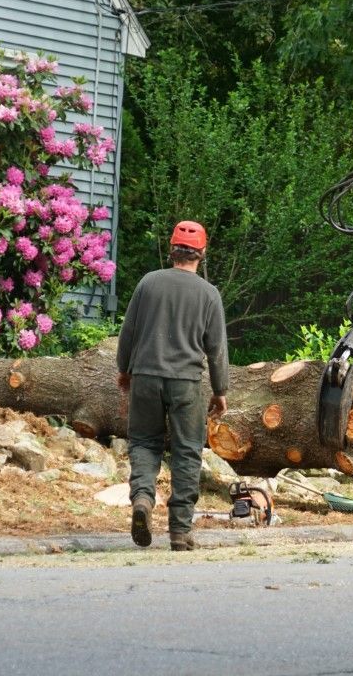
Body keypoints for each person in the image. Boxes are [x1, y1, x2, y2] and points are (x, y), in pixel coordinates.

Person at [116, 220, 229, 551]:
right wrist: (221, 390)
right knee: (187, 451)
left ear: (172, 250)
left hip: (146, 377)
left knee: (144, 443)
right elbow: (217, 348)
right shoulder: (209, 294)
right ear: (202, 254)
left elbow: (129, 332)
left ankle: (142, 500)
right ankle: (179, 532)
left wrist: (124, 369)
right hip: (186, 383)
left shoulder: (148, 283)